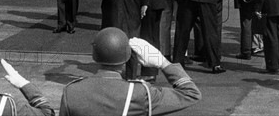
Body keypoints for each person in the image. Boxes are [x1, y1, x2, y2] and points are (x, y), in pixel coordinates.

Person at [59, 28, 201, 116]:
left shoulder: (71, 92)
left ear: (94, 56)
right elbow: (191, 94)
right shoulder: (139, 93)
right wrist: (163, 62)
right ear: (127, 57)